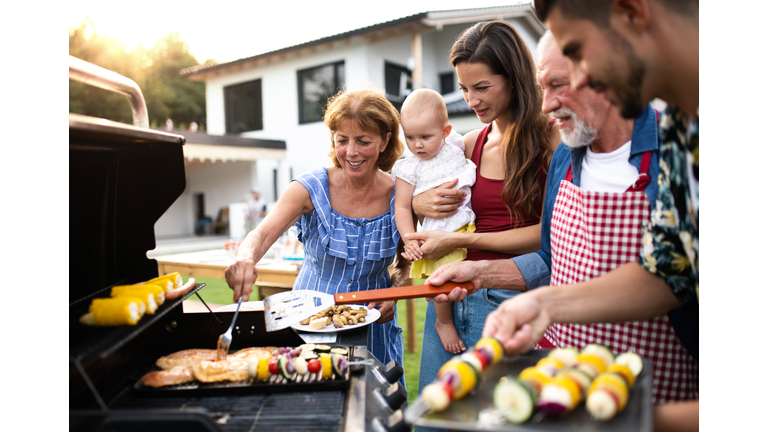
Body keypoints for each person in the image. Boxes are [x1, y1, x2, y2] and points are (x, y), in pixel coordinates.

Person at [434, 1, 699, 429]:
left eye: (563, 78)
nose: (545, 105)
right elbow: (664, 270)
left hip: (661, 386)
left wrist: (634, 416)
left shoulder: (673, 140)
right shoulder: (570, 158)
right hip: (569, 382)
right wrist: (493, 280)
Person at [410, 22, 557, 432]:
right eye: (463, 88)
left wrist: (464, 240)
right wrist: (419, 202)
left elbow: (550, 234)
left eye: (482, 87)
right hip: (451, 299)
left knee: (502, 420)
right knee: (435, 421)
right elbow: (416, 181)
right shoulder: (470, 143)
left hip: (507, 301)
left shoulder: (551, 138)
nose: (471, 99)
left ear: (514, 78)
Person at [225, 88, 406, 387]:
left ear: (385, 140)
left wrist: (395, 294)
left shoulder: (400, 195)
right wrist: (245, 259)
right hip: (310, 324)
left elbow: (408, 261)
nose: (351, 151)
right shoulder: (310, 188)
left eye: (363, 141)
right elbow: (260, 234)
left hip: (375, 330)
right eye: (342, 140)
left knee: (380, 414)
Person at [391, 88, 477, 354]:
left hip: (467, 226)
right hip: (437, 231)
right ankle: (443, 322)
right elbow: (402, 207)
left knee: (462, 284)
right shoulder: (409, 167)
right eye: (410, 137)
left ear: (446, 131)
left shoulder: (457, 145)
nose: (417, 145)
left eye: (425, 137)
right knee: (439, 282)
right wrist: (409, 239)